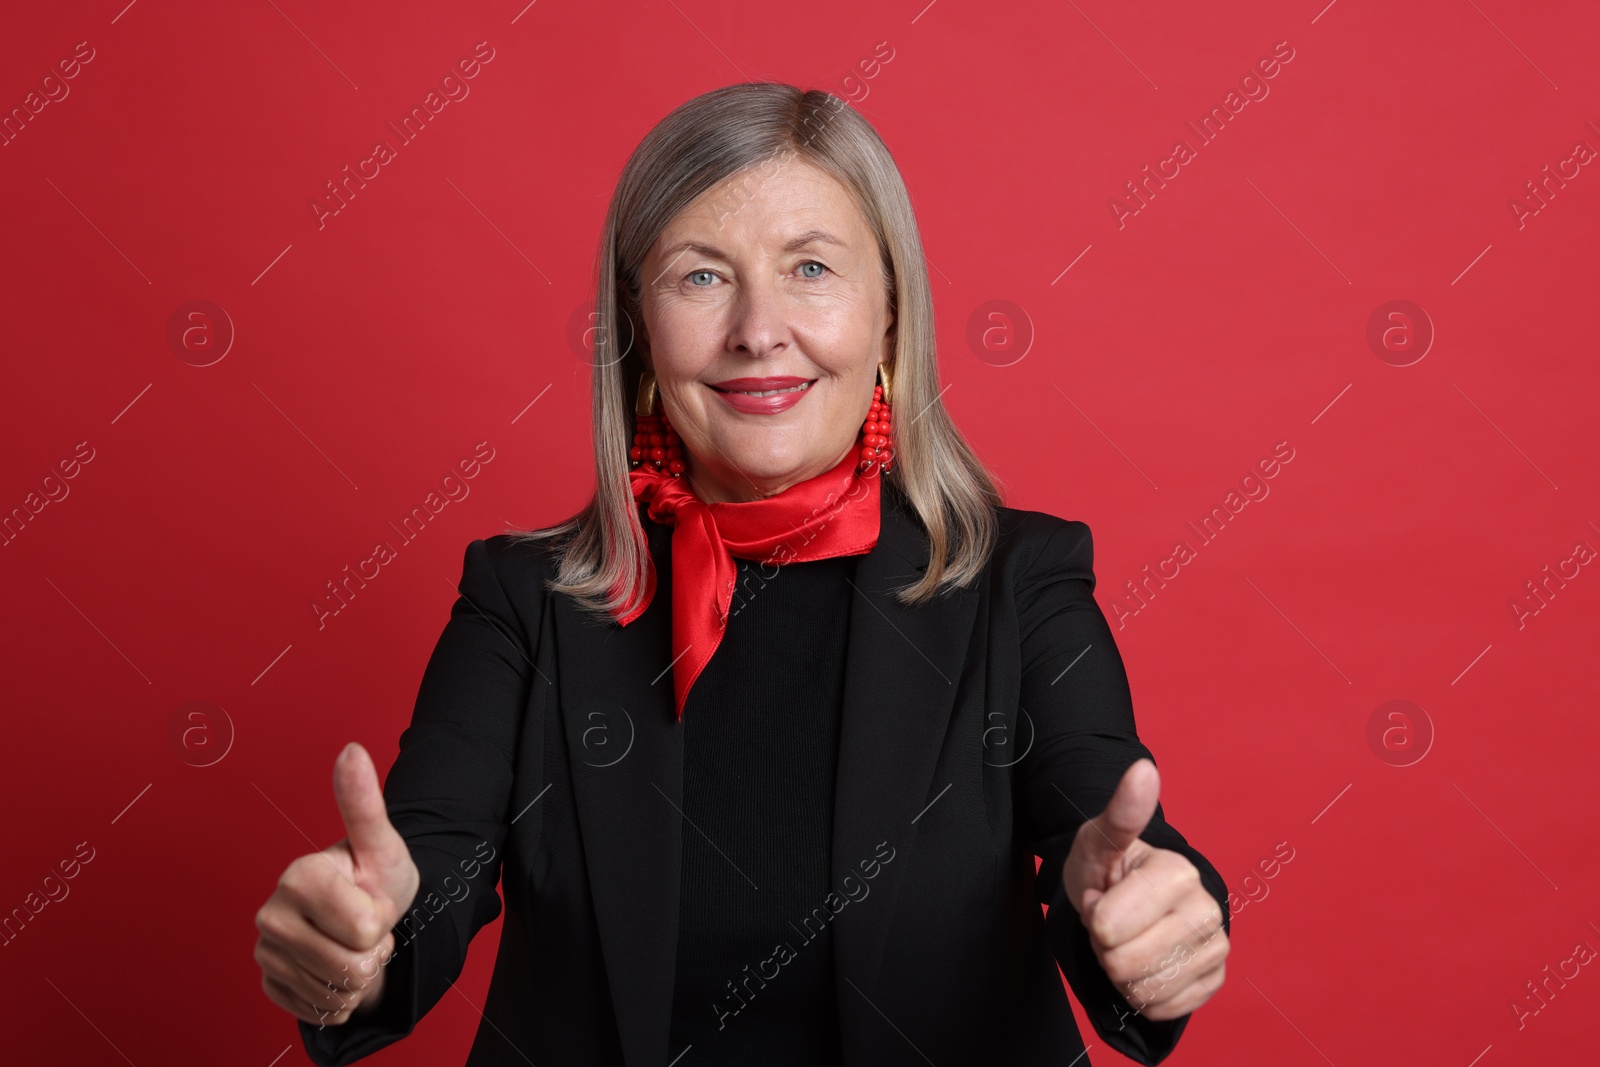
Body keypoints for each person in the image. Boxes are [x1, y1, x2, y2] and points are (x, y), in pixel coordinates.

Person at [253, 82, 1230, 1067]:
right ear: (636, 328)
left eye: (810, 267)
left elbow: (1108, 847)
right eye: (701, 277)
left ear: (890, 315)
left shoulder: (1023, 580)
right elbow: (424, 877)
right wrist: (355, 943)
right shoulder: (522, 603)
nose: (758, 329)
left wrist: (1156, 917)